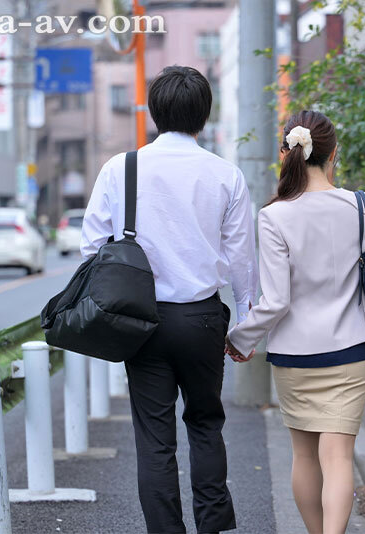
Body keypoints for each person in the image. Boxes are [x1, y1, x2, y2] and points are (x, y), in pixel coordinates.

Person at [81, 66, 258, 534]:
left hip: (140, 322)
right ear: (204, 115)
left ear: (153, 112)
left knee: (154, 441)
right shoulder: (225, 174)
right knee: (205, 425)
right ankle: (212, 526)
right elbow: (242, 259)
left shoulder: (119, 169)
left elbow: (92, 249)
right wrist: (246, 327)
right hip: (202, 319)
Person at [225, 110, 365, 534]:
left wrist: (240, 339)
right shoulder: (364, 206)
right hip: (351, 350)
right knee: (338, 458)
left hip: (295, 357)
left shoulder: (275, 216)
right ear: (334, 153)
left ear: (286, 153)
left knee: (303, 456)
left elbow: (276, 301)